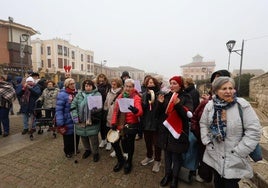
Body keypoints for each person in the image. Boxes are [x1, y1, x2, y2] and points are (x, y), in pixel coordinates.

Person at [200, 76, 262, 188]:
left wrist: (240, 151)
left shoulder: (242, 105)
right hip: (215, 155)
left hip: (235, 157)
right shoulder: (210, 106)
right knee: (218, 183)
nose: (228, 91)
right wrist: (207, 142)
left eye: (231, 88)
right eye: (224, 89)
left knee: (230, 185)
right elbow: (203, 124)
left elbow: (254, 131)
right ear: (216, 91)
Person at [191, 69, 231, 182]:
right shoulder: (207, 102)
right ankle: (205, 176)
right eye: (214, 79)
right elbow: (196, 119)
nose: (216, 81)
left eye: (219, 78)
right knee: (205, 161)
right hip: (205, 140)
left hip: (225, 146)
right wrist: (200, 135)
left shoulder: (236, 104)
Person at [156, 76, 193, 188]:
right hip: (166, 131)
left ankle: (175, 178)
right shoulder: (167, 96)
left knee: (176, 157)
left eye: (174, 83)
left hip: (178, 131)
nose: (171, 85)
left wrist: (177, 104)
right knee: (167, 155)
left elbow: (187, 116)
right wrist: (160, 103)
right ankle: (167, 175)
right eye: (171, 83)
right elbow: (158, 115)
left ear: (180, 85)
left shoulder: (187, 97)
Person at [110, 78, 143, 174]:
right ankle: (120, 160)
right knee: (114, 142)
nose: (128, 88)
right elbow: (116, 111)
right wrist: (113, 122)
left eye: (130, 86)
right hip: (120, 123)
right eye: (126, 86)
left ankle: (129, 162)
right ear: (124, 87)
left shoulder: (136, 97)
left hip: (131, 124)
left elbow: (140, 111)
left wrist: (135, 111)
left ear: (133, 87)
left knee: (130, 144)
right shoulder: (120, 96)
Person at [71, 79, 102, 162]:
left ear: (93, 86)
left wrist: (95, 109)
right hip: (80, 119)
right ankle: (87, 150)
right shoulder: (79, 95)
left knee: (93, 137)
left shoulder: (97, 94)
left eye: (90, 86)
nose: (88, 87)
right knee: (83, 136)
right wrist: (75, 116)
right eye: (86, 86)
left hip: (92, 119)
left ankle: (95, 152)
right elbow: (73, 105)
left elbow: (100, 107)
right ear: (84, 87)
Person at [140, 76, 162, 172]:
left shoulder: (160, 94)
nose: (150, 84)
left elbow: (160, 109)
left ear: (156, 83)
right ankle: (149, 156)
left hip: (156, 123)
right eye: (149, 82)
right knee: (147, 141)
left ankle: (157, 160)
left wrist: (157, 101)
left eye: (152, 82)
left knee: (156, 143)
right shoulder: (144, 94)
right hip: (146, 122)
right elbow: (143, 107)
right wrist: (147, 98)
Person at [55, 78, 79, 158]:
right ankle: (68, 151)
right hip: (67, 119)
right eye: (71, 84)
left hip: (75, 117)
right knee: (68, 136)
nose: (73, 85)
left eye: (74, 83)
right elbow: (59, 109)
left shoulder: (77, 93)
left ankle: (75, 148)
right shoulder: (62, 94)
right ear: (67, 85)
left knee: (76, 134)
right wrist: (60, 122)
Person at [103, 77, 123, 152]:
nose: (113, 85)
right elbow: (106, 103)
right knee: (109, 131)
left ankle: (116, 149)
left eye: (115, 84)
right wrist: (105, 110)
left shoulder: (122, 93)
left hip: (118, 117)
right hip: (109, 115)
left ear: (118, 84)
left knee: (117, 134)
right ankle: (110, 143)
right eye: (112, 84)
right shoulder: (109, 92)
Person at [96, 73, 111, 149]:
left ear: (105, 79)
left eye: (103, 78)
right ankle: (103, 139)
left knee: (107, 125)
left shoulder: (108, 87)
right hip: (99, 108)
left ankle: (109, 141)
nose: (101, 80)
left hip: (106, 108)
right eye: (100, 78)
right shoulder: (96, 87)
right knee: (101, 125)